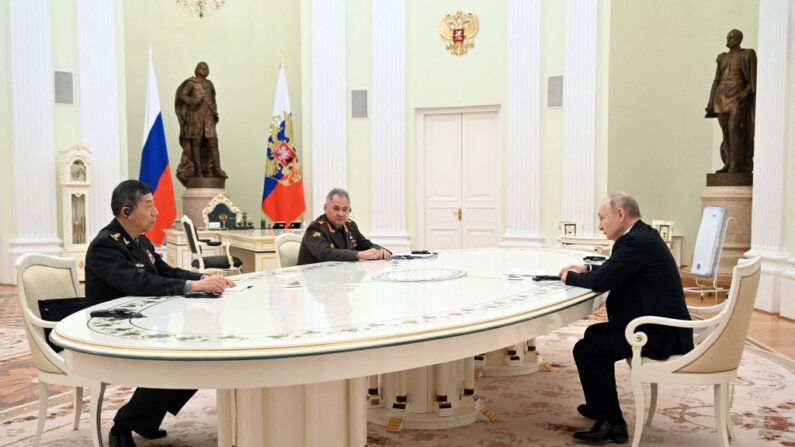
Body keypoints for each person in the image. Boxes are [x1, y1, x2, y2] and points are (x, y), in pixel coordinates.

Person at [85, 179, 234, 447]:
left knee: (200, 351)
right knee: (177, 356)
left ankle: (144, 420)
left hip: (142, 320)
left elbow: (165, 272)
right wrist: (195, 286)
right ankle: (123, 426)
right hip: (112, 328)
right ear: (126, 212)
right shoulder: (105, 246)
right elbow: (138, 283)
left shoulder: (139, 241)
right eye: (149, 206)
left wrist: (203, 277)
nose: (156, 212)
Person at [558, 192, 693, 444]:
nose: (600, 225)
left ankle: (613, 425)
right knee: (593, 334)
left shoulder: (634, 242)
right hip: (656, 324)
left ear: (620, 215)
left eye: (602, 218)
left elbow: (602, 281)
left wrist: (568, 277)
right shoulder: (642, 235)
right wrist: (586, 268)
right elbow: (616, 269)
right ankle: (600, 407)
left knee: (587, 349)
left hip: (659, 333)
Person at [705, 29, 756, 173]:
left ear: (739, 39)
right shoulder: (722, 58)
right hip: (721, 96)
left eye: (731, 38)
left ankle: (736, 163)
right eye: (727, 37)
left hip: (737, 95)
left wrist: (745, 92)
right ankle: (728, 162)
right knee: (725, 130)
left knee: (734, 127)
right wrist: (710, 100)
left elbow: (752, 81)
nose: (727, 40)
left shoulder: (747, 55)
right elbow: (716, 80)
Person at [297, 188, 392, 265]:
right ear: (325, 208)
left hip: (338, 279)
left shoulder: (350, 226)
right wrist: (360, 255)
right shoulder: (316, 228)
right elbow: (325, 254)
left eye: (345, 209)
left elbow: (366, 245)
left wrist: (381, 251)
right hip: (314, 282)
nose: (341, 214)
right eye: (336, 209)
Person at [174, 61, 227, 186]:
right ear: (196, 69)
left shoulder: (209, 84)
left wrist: (214, 113)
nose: (204, 70)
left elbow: (213, 100)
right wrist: (193, 101)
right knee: (196, 142)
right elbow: (182, 96)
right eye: (201, 68)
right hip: (196, 117)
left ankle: (217, 168)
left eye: (206, 68)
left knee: (213, 142)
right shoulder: (191, 83)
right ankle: (198, 171)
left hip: (208, 118)